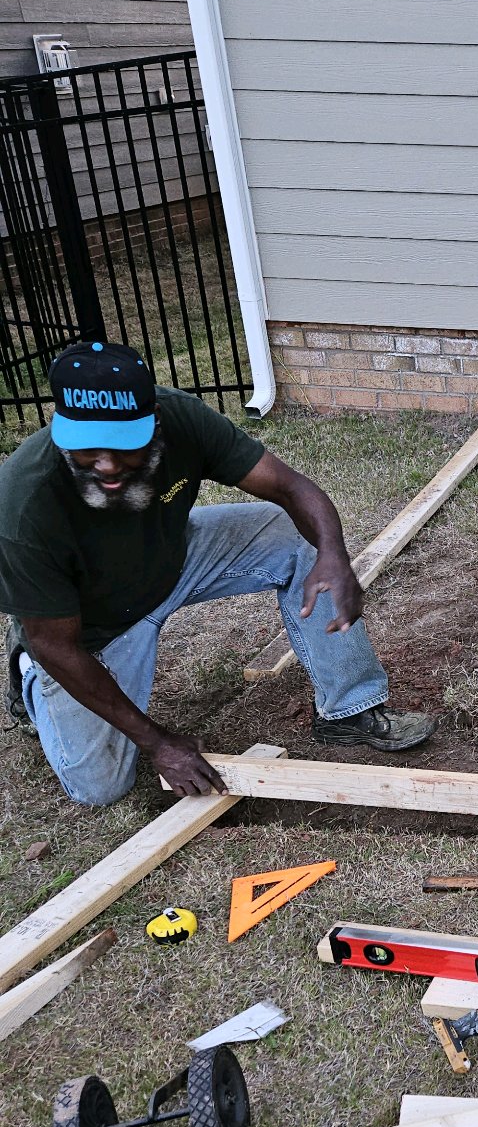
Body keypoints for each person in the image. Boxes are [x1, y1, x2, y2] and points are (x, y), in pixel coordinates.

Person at [0, 340, 436, 806]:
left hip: (169, 562)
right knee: (101, 789)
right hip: (89, 629)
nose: (105, 464)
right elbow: (56, 643)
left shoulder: (183, 419)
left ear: (156, 423)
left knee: (296, 537)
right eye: (87, 448)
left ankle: (349, 711)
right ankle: (28, 678)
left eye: (124, 447)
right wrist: (157, 741)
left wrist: (334, 555)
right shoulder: (24, 504)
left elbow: (289, 487)